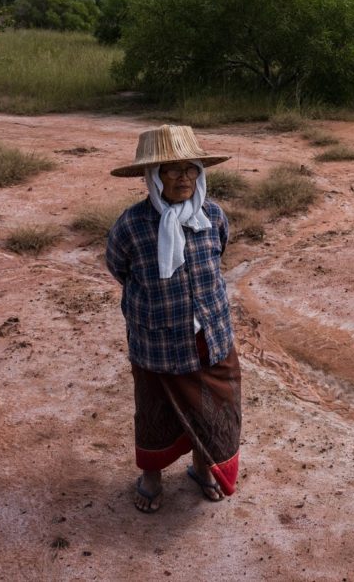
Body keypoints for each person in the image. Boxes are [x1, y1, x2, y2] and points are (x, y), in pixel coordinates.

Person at [105, 124, 241, 514]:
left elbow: (220, 254)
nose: (183, 177)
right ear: (153, 177)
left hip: (210, 335)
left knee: (214, 405)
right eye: (171, 169)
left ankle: (202, 466)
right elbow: (118, 266)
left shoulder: (212, 215)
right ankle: (151, 475)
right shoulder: (132, 224)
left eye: (191, 168)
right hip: (156, 340)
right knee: (155, 409)